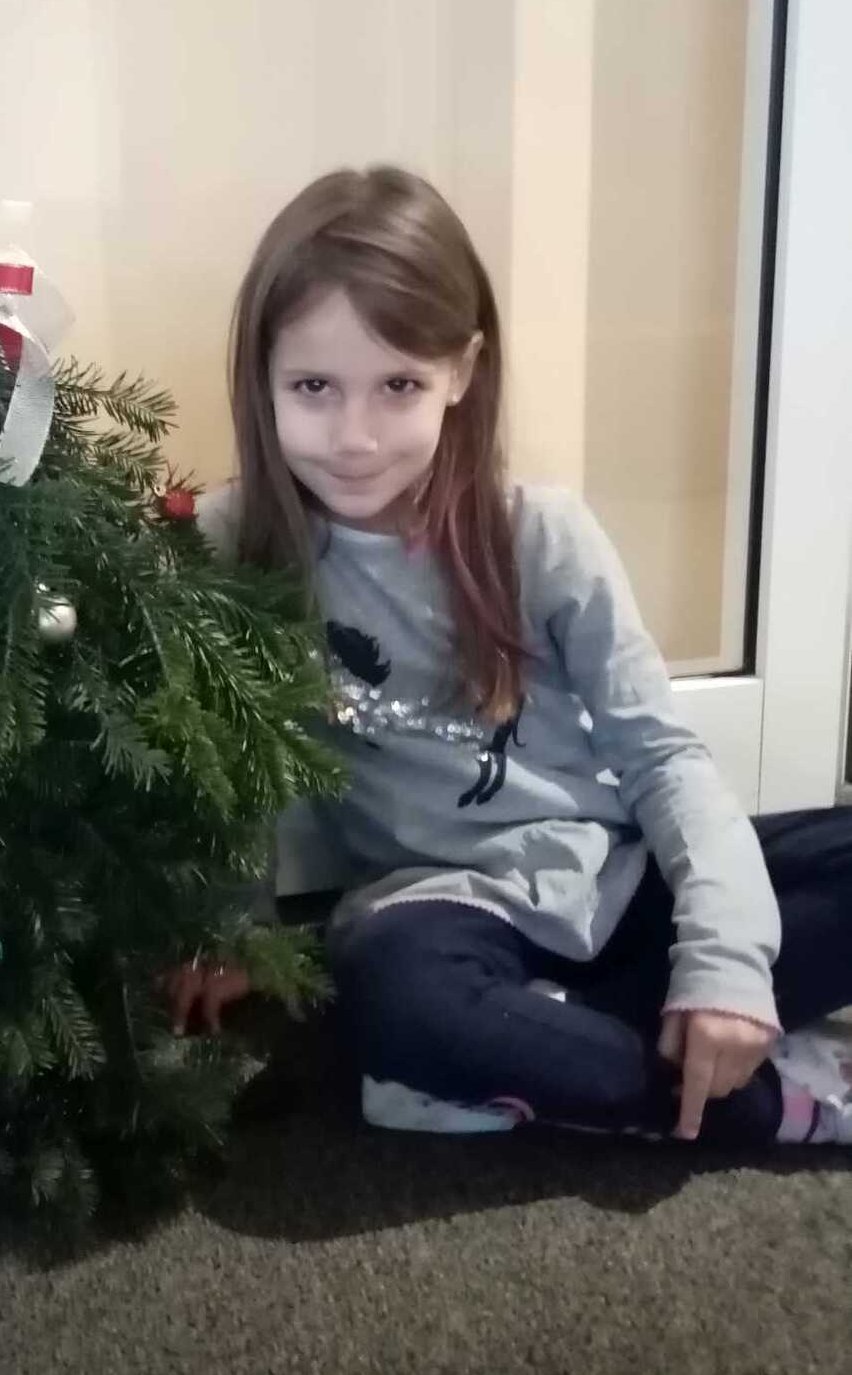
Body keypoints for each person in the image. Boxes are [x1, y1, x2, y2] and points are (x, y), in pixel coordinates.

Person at [166, 165, 852, 1148]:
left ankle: (524, 1059)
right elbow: (223, 766)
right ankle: (758, 1103)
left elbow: (663, 760)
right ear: (262, 378)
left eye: (399, 386)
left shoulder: (542, 534)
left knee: (786, 881)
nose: (354, 438)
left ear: (462, 371)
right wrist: (234, 927)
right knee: (397, 1004)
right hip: (435, 922)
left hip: (610, 884)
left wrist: (727, 964)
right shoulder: (235, 543)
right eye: (313, 387)